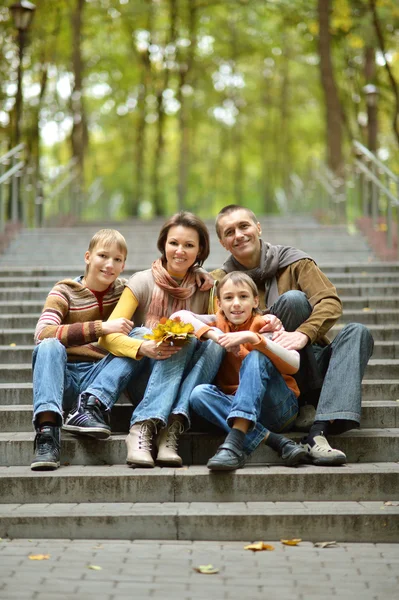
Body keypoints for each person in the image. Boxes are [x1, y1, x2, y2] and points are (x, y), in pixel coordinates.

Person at [210, 204, 374, 466]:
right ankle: (299, 408)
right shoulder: (220, 281)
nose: (238, 235)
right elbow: (206, 316)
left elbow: (330, 302)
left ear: (258, 228)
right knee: (293, 301)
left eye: (244, 226)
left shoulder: (296, 262)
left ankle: (318, 430)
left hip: (307, 362)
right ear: (223, 242)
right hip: (270, 375)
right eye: (230, 232)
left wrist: (303, 334)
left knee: (357, 332)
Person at [97, 211, 225, 469]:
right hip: (147, 378)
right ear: (163, 244)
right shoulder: (142, 281)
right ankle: (142, 427)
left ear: (200, 251)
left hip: (186, 385)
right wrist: (142, 347)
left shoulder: (208, 287)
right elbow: (107, 338)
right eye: (174, 243)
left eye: (189, 245)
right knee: (165, 333)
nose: (180, 251)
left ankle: (171, 429)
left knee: (213, 341)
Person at [173, 272, 307, 471]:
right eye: (228, 298)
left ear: (255, 301)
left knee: (257, 356)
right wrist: (218, 337)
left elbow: (294, 364)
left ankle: (233, 446)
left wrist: (253, 339)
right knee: (198, 394)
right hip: (236, 408)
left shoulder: (266, 325)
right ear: (219, 303)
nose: (236, 303)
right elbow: (178, 316)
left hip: (278, 408)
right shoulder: (218, 322)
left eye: (243, 297)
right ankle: (277, 442)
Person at [31, 229, 135, 471]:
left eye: (117, 260)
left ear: (123, 265)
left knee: (138, 339)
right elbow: (42, 332)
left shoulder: (126, 292)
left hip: (99, 378)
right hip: (64, 378)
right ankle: (47, 433)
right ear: (88, 257)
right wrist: (102, 328)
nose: (109, 265)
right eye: (103, 256)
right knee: (49, 346)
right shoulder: (64, 291)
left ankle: (90, 405)